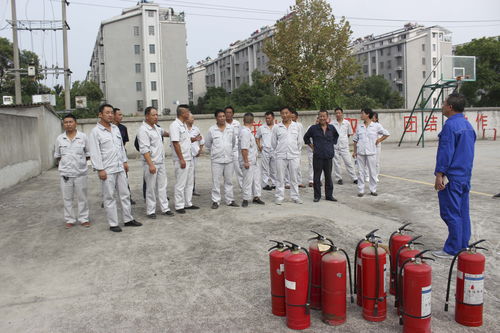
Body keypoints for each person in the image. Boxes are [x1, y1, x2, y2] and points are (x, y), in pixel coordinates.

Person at [433, 93, 476, 259]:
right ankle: (462, 244)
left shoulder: (450, 126)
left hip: (453, 177)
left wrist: (439, 175)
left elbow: (446, 153)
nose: (442, 106)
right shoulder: (467, 125)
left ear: (450, 107)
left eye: (444, 104)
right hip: (464, 176)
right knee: (462, 212)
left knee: (450, 212)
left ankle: (452, 248)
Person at [89, 104, 142, 232]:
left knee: (125, 194)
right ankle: (113, 223)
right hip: (107, 170)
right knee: (109, 197)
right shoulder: (95, 132)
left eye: (112, 112)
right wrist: (100, 169)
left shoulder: (115, 129)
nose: (110, 115)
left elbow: (120, 147)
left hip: (120, 167)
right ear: (100, 114)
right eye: (107, 112)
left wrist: (125, 161)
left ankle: (128, 219)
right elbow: (95, 153)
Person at [137, 106, 174, 219]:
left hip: (161, 162)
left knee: (162, 186)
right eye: (153, 115)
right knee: (151, 188)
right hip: (151, 163)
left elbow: (165, 133)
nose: (156, 117)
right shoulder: (143, 130)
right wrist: (151, 165)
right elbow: (144, 149)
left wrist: (175, 133)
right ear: (147, 116)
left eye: (157, 114)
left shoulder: (156, 128)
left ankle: (165, 208)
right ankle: (151, 210)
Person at [54, 114, 90, 229]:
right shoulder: (60, 139)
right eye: (66, 122)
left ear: (76, 123)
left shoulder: (83, 137)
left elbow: (88, 154)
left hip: (80, 173)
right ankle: (70, 219)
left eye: (70, 122)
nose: (68, 124)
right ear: (63, 124)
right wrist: (66, 165)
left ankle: (84, 218)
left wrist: (79, 164)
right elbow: (58, 156)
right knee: (67, 198)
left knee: (82, 197)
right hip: (66, 174)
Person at [205, 110, 239, 209]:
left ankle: (230, 200)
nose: (222, 118)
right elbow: (208, 144)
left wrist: (227, 151)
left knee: (229, 181)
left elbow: (233, 142)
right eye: (220, 116)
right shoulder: (212, 130)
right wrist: (216, 152)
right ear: (216, 118)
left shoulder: (231, 128)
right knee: (216, 181)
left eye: (224, 116)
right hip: (217, 160)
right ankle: (216, 201)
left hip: (229, 159)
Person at [352, 108, 390, 197]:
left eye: (362, 113)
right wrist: (355, 152)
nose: (361, 115)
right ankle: (361, 190)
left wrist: (379, 140)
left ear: (367, 115)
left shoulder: (376, 126)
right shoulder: (359, 126)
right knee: (361, 172)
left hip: (371, 152)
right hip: (361, 152)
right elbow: (355, 140)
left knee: (372, 172)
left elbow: (386, 133)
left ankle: (373, 190)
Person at [303, 110, 339, 202]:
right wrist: (312, 147)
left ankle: (329, 195)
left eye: (324, 116)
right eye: (320, 116)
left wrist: (330, 145)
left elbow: (336, 136)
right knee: (317, 177)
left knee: (328, 177)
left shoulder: (332, 128)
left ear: (327, 118)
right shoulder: (313, 128)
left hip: (328, 156)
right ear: (318, 118)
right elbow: (306, 138)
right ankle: (317, 196)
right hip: (318, 156)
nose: (322, 118)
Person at [169, 104, 199, 214]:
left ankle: (188, 203)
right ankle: (179, 205)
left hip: (189, 157)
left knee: (189, 182)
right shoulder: (175, 125)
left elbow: (184, 141)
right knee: (180, 183)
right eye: (187, 112)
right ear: (182, 113)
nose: (189, 114)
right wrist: (181, 159)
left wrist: (193, 139)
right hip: (182, 159)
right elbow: (176, 143)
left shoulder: (184, 125)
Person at [271, 107, 303, 205]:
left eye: (286, 113)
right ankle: (279, 197)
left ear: (290, 114)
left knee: (294, 178)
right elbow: (273, 143)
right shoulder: (277, 127)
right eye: (282, 113)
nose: (284, 115)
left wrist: (296, 152)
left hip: (293, 156)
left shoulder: (297, 126)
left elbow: (300, 142)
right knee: (280, 178)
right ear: (280, 115)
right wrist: (279, 151)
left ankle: (295, 196)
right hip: (280, 156)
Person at [239, 112, 265, 207]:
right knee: (247, 180)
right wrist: (246, 161)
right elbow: (244, 149)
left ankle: (256, 197)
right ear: (253, 121)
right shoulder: (245, 132)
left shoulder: (248, 131)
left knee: (256, 180)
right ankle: (245, 198)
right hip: (248, 161)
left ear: (243, 120)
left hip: (254, 160)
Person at [113, 107, 136, 205]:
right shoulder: (108, 128)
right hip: (110, 157)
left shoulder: (123, 128)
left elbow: (124, 143)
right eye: (119, 115)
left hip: (121, 155)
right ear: (114, 116)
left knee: (124, 177)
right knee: (110, 179)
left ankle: (128, 197)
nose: (121, 117)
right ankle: (107, 199)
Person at [332, 107, 358, 185]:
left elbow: (349, 133)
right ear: (335, 114)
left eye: (339, 113)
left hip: (344, 146)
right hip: (335, 147)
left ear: (342, 113)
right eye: (336, 113)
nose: (338, 114)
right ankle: (339, 178)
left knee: (349, 162)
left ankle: (354, 178)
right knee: (337, 163)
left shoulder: (347, 123)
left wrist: (343, 140)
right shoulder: (332, 124)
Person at [256, 111, 276, 191]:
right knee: (265, 168)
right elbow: (257, 137)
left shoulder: (277, 127)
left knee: (274, 168)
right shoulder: (262, 128)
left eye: (269, 118)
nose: (267, 120)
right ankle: (265, 184)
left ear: (273, 118)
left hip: (275, 150)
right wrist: (259, 146)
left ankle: (275, 183)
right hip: (265, 149)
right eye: (266, 118)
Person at [186, 113, 204, 196]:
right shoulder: (182, 129)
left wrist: (199, 151)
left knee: (192, 172)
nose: (193, 119)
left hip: (194, 155)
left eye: (193, 118)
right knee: (185, 173)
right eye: (191, 118)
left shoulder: (196, 129)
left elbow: (201, 141)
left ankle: (192, 189)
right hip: (185, 155)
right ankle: (186, 190)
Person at [225, 106, 243, 189]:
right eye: (227, 112)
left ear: (233, 114)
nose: (228, 114)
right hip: (226, 151)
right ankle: (228, 189)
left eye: (230, 112)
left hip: (236, 151)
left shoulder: (237, 123)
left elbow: (240, 137)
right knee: (228, 172)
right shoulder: (222, 124)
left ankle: (243, 187)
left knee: (239, 170)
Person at [290, 110, 305, 188]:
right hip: (289, 149)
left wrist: (299, 148)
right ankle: (288, 182)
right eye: (291, 117)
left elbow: (301, 137)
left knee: (297, 166)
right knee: (288, 167)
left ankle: (299, 181)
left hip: (297, 149)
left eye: (293, 117)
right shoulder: (288, 125)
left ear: (296, 117)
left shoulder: (299, 125)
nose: (292, 119)